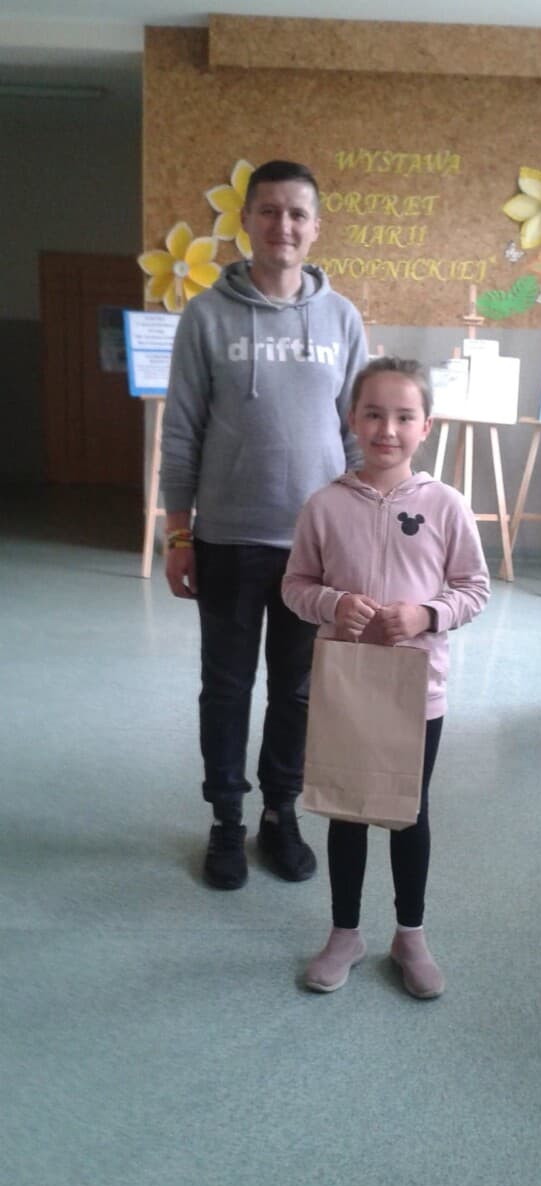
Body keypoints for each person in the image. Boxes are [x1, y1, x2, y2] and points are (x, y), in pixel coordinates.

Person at [160, 160, 367, 888]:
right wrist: (178, 533)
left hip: (315, 549)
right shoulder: (207, 316)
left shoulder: (341, 318)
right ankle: (226, 819)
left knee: (299, 692)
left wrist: (361, 529)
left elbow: (357, 434)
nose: (284, 225)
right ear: (245, 221)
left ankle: (280, 813)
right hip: (227, 542)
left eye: (297, 214)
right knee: (226, 689)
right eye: (270, 211)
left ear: (316, 227)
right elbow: (181, 432)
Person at [282, 357, 490, 998]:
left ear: (426, 426)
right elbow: (295, 585)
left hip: (416, 690)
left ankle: (410, 934)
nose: (387, 429)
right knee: (346, 809)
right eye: (374, 414)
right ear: (352, 419)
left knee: (407, 810)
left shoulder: (446, 505)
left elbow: (474, 588)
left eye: (404, 416)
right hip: (345, 686)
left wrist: (427, 614)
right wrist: (332, 604)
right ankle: (345, 932)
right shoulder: (324, 505)